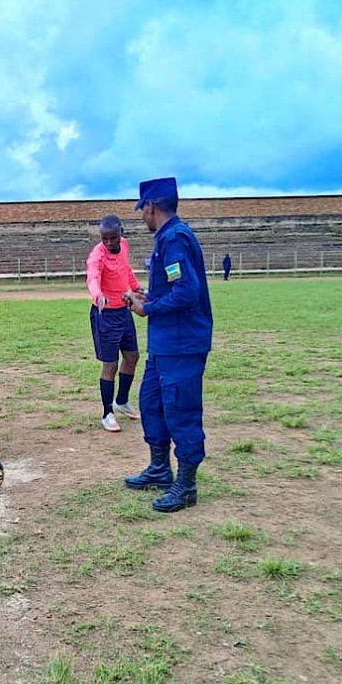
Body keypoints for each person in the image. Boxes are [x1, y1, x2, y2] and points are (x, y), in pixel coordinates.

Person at [123, 177, 213, 513]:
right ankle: (160, 469)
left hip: (182, 343)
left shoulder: (174, 238)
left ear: (150, 206)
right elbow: (175, 289)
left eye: (142, 210)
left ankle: (187, 485)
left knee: (181, 410)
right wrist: (150, 297)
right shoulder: (167, 238)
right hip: (164, 344)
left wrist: (148, 307)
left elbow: (188, 293)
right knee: (152, 403)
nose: (142, 217)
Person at [86, 214, 143, 432]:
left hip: (124, 309)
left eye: (113, 238)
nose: (109, 243)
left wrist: (137, 287)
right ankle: (107, 413)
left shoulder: (125, 245)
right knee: (110, 364)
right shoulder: (97, 256)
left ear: (121, 233)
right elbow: (92, 277)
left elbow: (125, 270)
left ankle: (122, 400)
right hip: (105, 314)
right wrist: (97, 294)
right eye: (104, 239)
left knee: (132, 356)